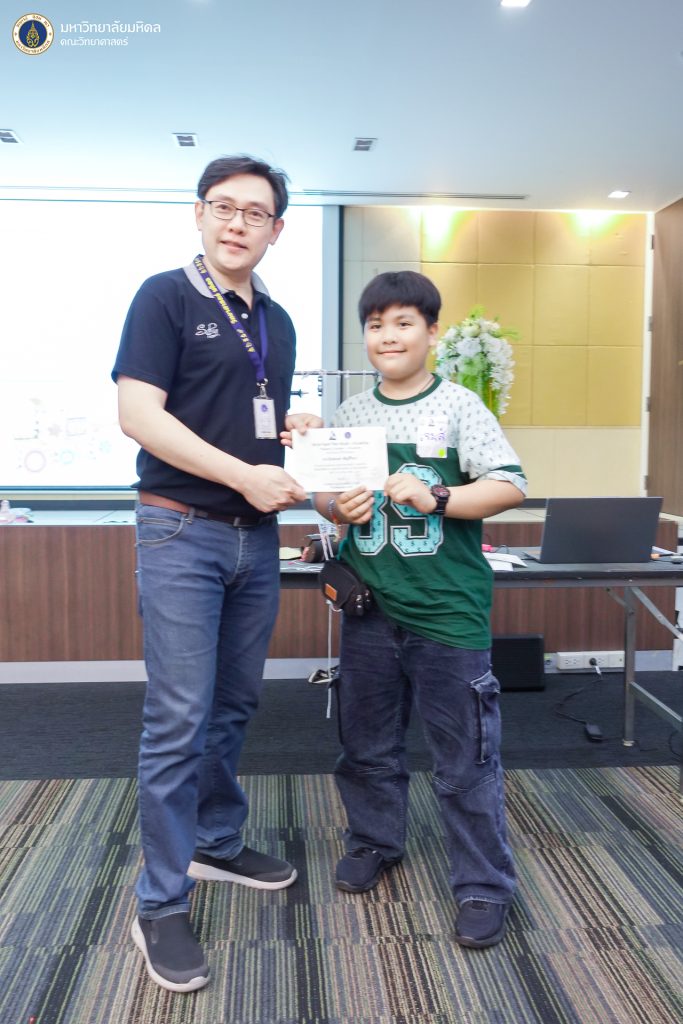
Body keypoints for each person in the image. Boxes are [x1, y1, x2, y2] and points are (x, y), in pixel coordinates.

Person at [112, 155, 321, 992]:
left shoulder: (276, 320)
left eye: (255, 213)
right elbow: (138, 415)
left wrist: (295, 431)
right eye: (223, 207)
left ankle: (214, 842)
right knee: (178, 718)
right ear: (199, 214)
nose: (237, 223)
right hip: (180, 531)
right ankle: (159, 902)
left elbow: (249, 418)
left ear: (277, 230)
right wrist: (243, 473)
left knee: (233, 705)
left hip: (255, 539)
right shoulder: (164, 296)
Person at [313, 271, 527, 949]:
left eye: (403, 322)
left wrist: (437, 497)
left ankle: (483, 884)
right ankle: (374, 841)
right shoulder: (350, 412)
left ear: (431, 332)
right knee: (365, 746)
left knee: (465, 758)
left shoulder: (460, 405)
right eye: (375, 324)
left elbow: (509, 486)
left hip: (447, 614)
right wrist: (336, 505)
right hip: (369, 613)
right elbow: (323, 497)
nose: (387, 336)